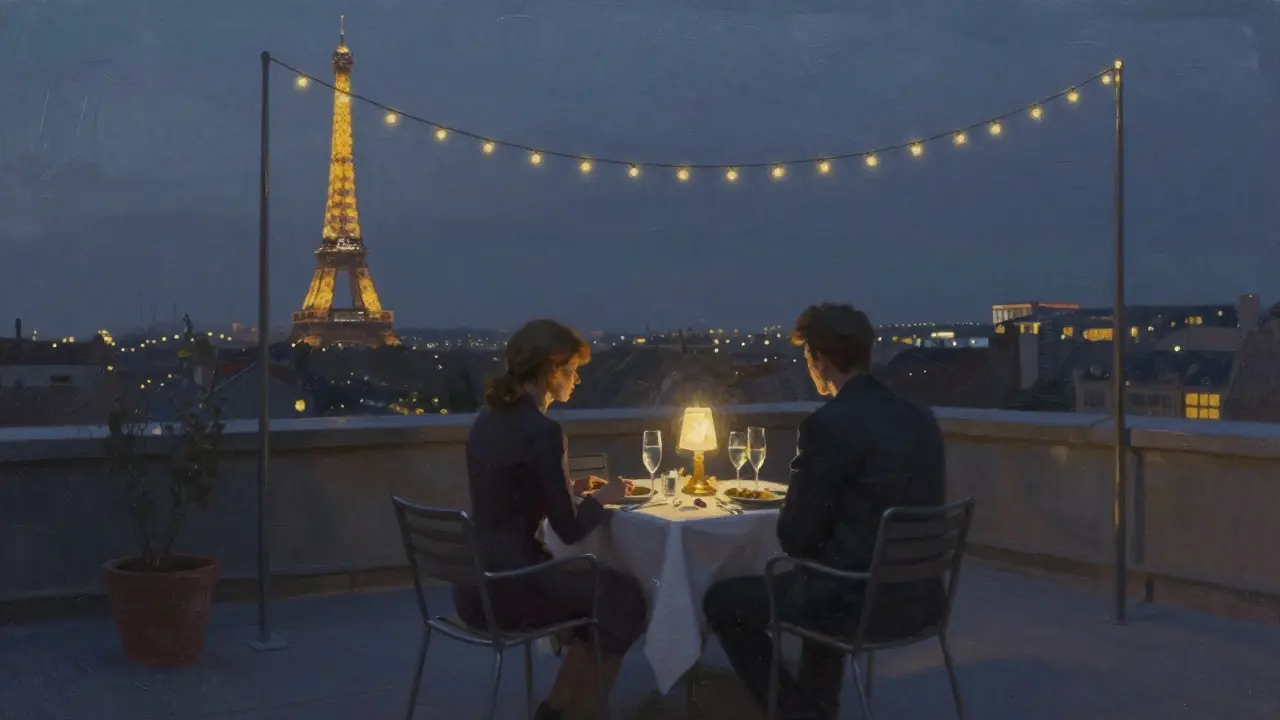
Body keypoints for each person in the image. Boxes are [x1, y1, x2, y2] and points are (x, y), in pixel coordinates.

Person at [703, 303, 947, 720]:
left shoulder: (830, 425)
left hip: (853, 605)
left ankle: (800, 713)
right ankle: (817, 707)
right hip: (921, 599)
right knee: (822, 576)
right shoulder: (920, 419)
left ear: (819, 359)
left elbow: (795, 537)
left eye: (807, 358)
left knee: (724, 601)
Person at [455, 318, 647, 720]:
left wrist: (568, 487)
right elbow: (570, 530)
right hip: (512, 585)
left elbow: (508, 490)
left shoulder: (487, 420)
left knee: (600, 600)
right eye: (573, 371)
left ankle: (558, 710)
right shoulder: (543, 431)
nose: (576, 381)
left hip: (474, 584)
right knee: (625, 598)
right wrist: (605, 496)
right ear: (550, 370)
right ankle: (570, 713)